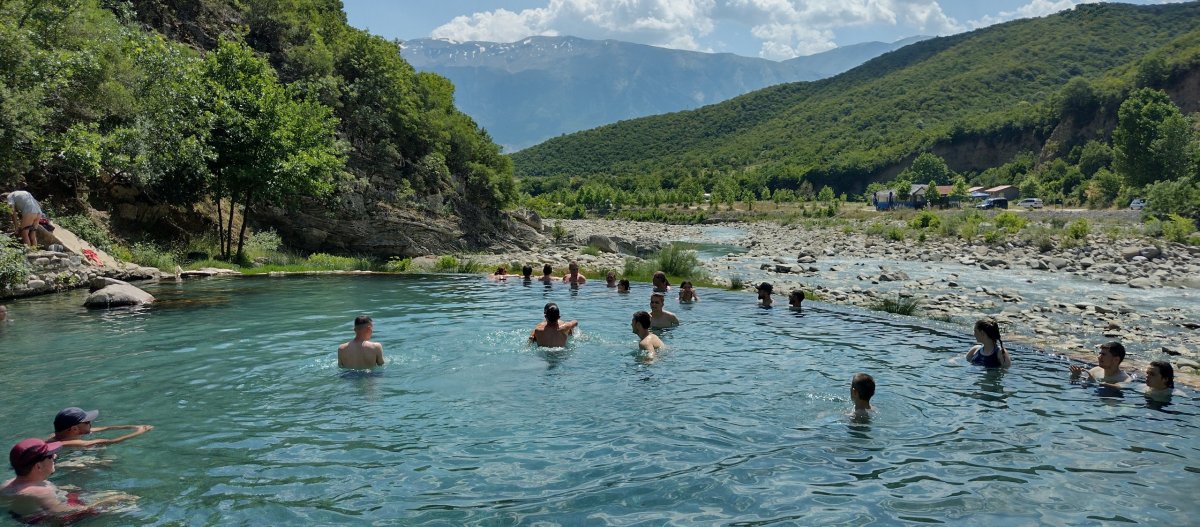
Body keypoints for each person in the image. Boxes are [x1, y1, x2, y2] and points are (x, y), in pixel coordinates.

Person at [2, 438, 134, 523]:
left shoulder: (7, 484)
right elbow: (64, 512)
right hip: (54, 520)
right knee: (123, 501)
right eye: (50, 456)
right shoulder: (41, 492)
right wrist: (104, 502)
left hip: (33, 516)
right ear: (38, 466)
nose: (55, 456)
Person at [50, 408, 153, 448]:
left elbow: (103, 428)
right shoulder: (72, 443)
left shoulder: (59, 435)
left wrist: (131, 427)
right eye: (87, 422)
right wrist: (140, 431)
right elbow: (111, 441)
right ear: (74, 429)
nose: (91, 424)